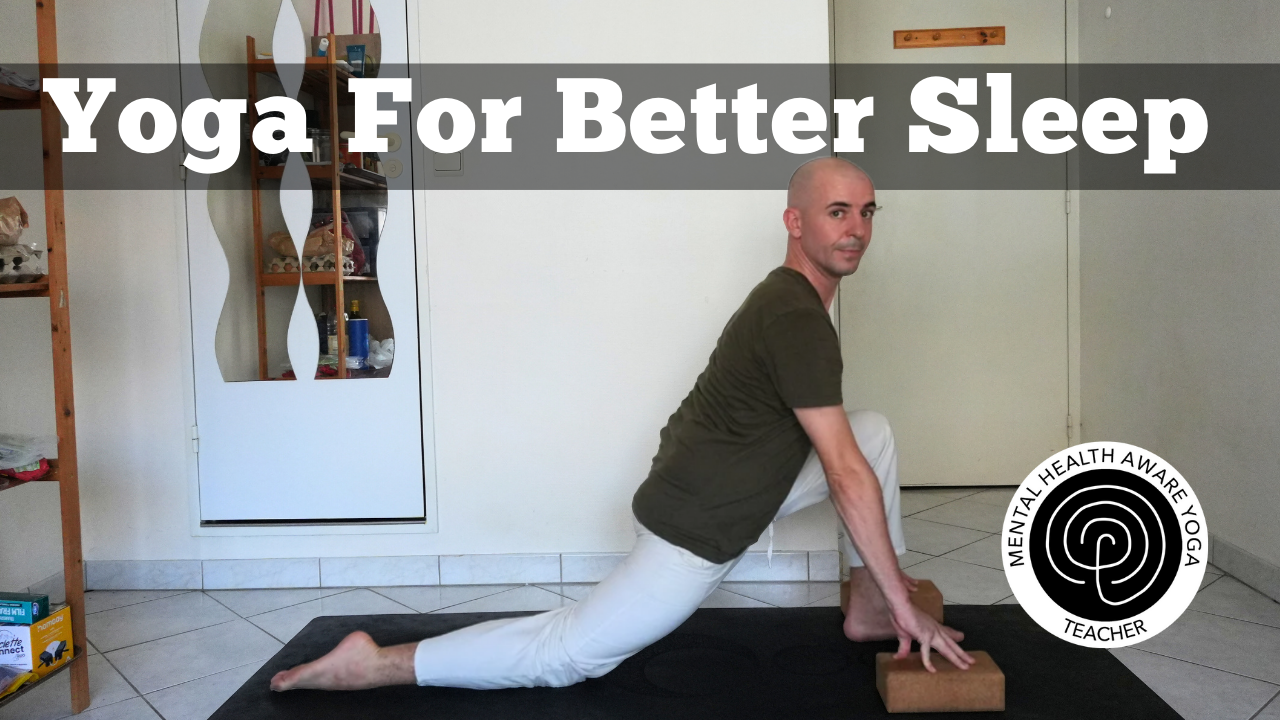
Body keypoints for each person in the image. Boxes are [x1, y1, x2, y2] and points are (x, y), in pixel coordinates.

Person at [270, 156, 974, 694]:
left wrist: (890, 591)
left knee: (871, 428)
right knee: (570, 654)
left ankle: (873, 611)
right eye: (837, 213)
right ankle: (379, 664)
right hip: (697, 527)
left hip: (728, 482)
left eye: (867, 213)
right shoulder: (795, 317)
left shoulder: (788, 299)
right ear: (795, 222)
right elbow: (846, 476)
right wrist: (918, 609)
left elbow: (852, 452)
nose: (856, 230)